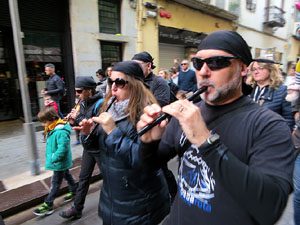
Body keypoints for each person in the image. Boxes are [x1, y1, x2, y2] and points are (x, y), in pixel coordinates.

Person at [137, 30, 295, 225]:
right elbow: (150, 165)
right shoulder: (189, 112)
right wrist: (149, 141)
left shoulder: (268, 125)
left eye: (217, 62)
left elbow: (270, 207)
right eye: (198, 63)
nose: (203, 71)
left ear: (243, 68)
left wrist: (206, 141)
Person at [78, 61, 170, 225]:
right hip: (113, 197)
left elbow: (145, 162)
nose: (113, 87)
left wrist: (113, 132)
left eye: (120, 82)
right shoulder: (107, 109)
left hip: (140, 202)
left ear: (135, 85)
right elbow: (99, 151)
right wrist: (88, 135)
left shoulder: (147, 115)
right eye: (110, 81)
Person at [132, 52, 177, 202]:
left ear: (149, 65)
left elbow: (160, 106)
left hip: (158, 130)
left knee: (161, 168)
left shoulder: (159, 82)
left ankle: (174, 194)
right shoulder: (135, 82)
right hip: (139, 130)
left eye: (137, 65)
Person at [59, 76, 103, 219]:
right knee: (83, 179)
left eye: (79, 91)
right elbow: (80, 125)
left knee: (110, 179)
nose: (76, 94)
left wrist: (77, 118)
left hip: (101, 149)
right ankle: (77, 209)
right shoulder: (82, 102)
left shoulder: (101, 104)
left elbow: (95, 128)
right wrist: (72, 121)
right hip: (89, 148)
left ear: (89, 91)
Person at [33, 107, 77, 216]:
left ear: (52, 119)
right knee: (67, 175)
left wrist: (54, 158)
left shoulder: (60, 131)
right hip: (60, 162)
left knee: (55, 183)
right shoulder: (53, 128)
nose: (43, 124)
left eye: (44, 122)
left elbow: (63, 149)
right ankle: (75, 191)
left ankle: (48, 205)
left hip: (59, 162)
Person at [247, 58, 294, 130]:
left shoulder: (282, 91)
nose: (256, 72)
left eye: (261, 68)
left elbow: (289, 119)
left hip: (269, 136)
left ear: (270, 70)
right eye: (253, 69)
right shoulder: (248, 89)